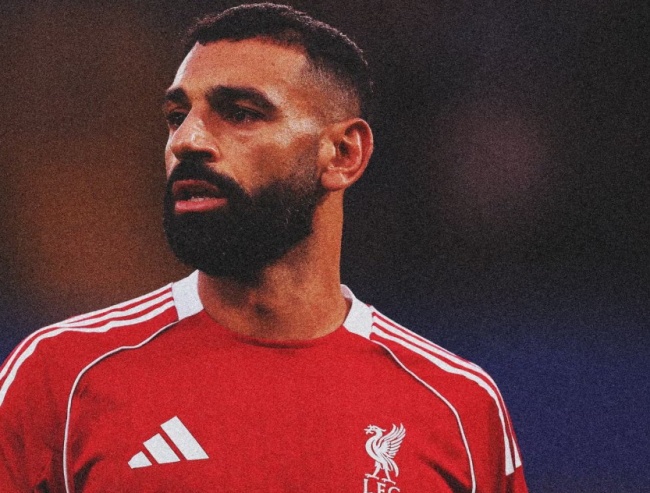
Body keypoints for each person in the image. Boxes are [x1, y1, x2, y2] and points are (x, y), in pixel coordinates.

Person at [0, 4, 528, 492]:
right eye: (177, 116)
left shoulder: (457, 405)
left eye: (241, 113)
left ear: (343, 153)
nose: (187, 140)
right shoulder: (59, 377)